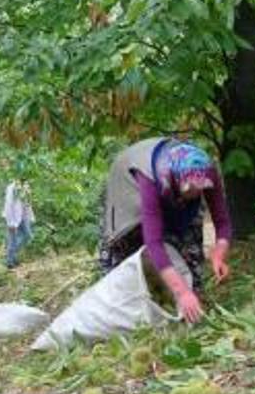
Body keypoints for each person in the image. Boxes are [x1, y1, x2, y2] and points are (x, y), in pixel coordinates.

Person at [98, 138, 232, 324]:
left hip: (172, 192)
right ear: (176, 180)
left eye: (199, 190)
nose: (196, 194)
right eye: (190, 190)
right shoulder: (149, 180)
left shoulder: (205, 170)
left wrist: (219, 253)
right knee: (127, 250)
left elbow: (222, 219)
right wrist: (182, 291)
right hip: (128, 187)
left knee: (189, 253)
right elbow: (153, 242)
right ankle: (126, 307)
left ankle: (184, 302)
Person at [3, 180, 35, 269]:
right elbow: (8, 205)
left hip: (24, 216)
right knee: (12, 239)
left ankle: (10, 256)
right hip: (13, 216)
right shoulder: (12, 188)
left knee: (27, 236)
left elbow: (28, 203)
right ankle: (10, 261)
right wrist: (10, 222)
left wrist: (31, 216)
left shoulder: (26, 186)